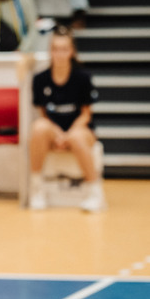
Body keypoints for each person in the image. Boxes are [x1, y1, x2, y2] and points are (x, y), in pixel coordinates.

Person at [27, 27, 103, 213]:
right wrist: (58, 134)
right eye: (55, 49)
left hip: (79, 129)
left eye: (64, 49)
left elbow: (86, 114)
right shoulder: (40, 79)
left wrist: (68, 135)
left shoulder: (83, 77)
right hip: (54, 129)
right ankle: (37, 189)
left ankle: (94, 191)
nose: (59, 54)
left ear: (71, 51)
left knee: (77, 137)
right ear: (50, 51)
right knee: (38, 128)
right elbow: (43, 113)